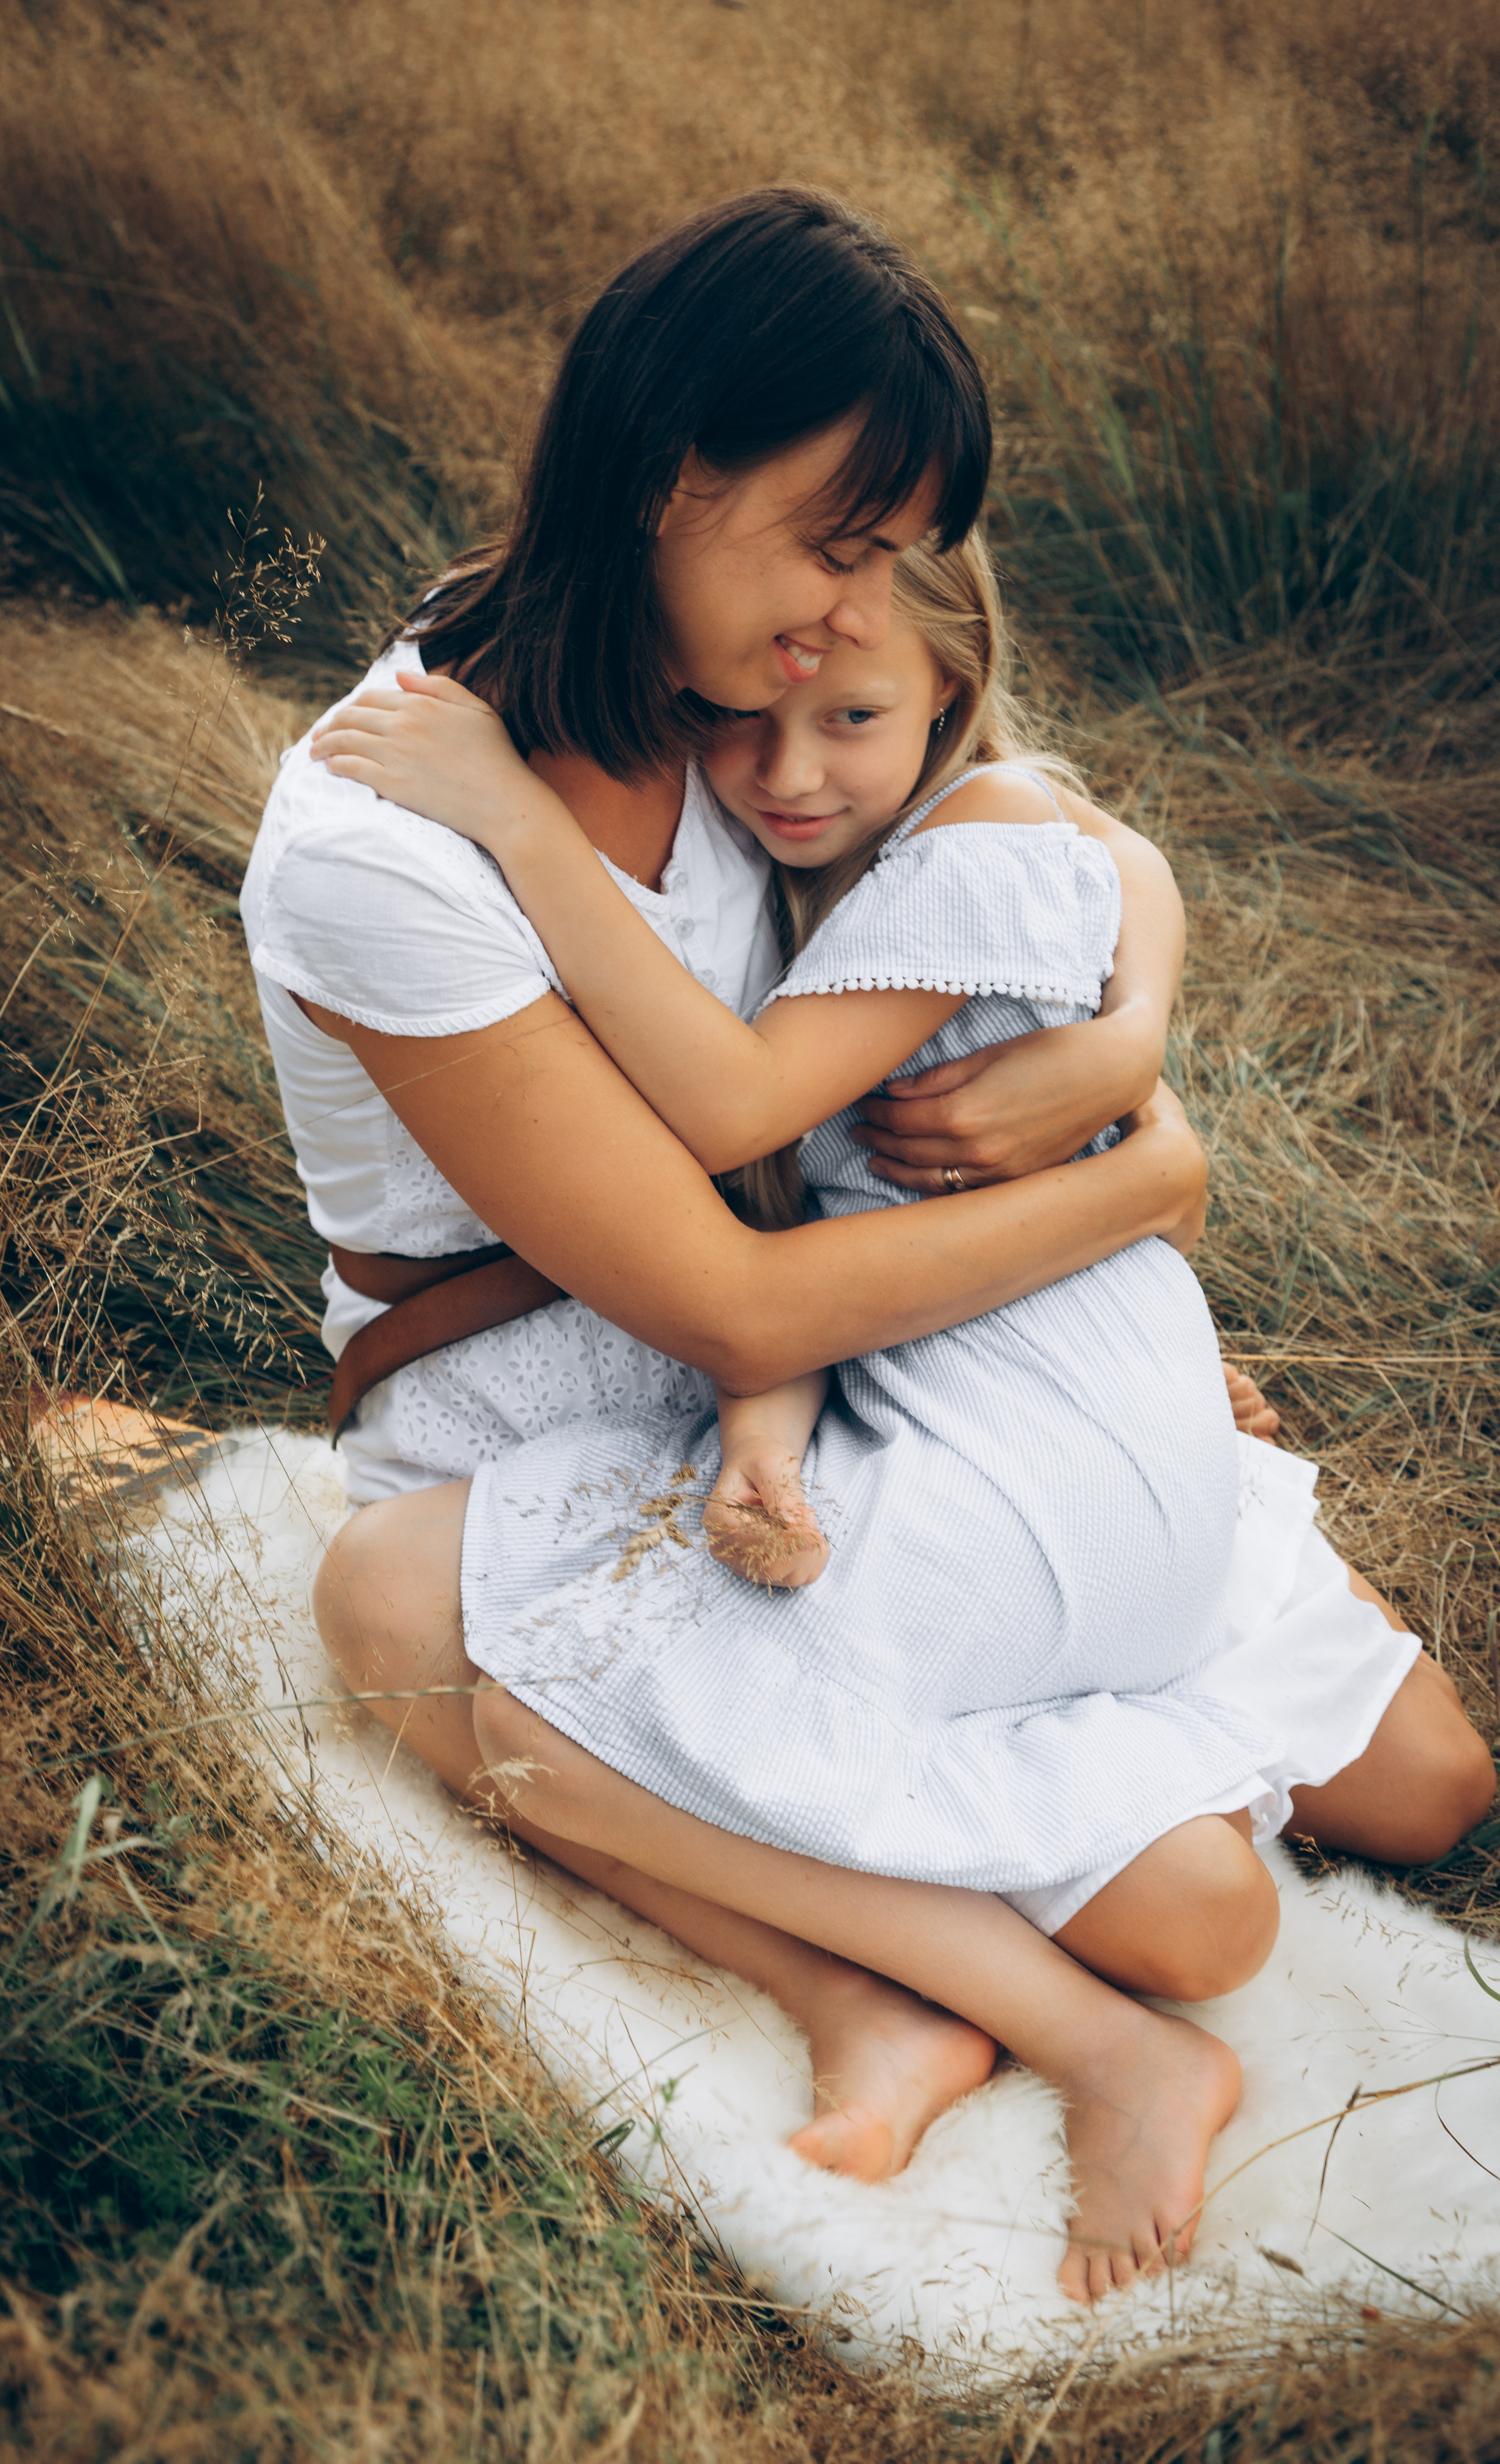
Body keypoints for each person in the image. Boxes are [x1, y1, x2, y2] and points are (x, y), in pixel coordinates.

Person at [244, 189, 1494, 2301]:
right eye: (838, 541)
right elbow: (721, 1285)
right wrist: (1140, 1189)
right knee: (1187, 1910)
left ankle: (999, 1788)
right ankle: (927, 1995)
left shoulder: (740, 678)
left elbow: (1056, 820)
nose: (853, 620)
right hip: (575, 1360)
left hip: (851, 1334)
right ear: (667, 479)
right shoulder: (396, 838)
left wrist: (1135, 1033)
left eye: (890, 563)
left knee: (1427, 1783)